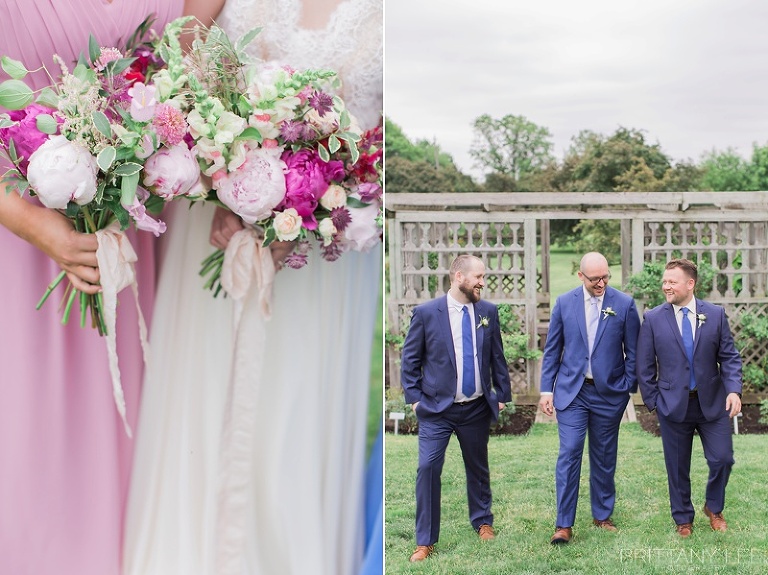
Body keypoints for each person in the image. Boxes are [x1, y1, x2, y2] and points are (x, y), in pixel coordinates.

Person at [123, 1, 383, 574]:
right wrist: (220, 185)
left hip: (325, 253)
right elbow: (178, 65)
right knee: (206, 390)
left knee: (294, 411)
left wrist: (311, 205)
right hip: (212, 224)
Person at [0, 2, 183, 574]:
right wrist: (29, 222)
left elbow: (197, 88)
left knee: (133, 451)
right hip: (19, 240)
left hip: (132, 238)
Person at [400, 254, 512, 563]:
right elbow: (409, 361)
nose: (482, 282)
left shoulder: (487, 311)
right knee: (428, 468)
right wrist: (415, 399)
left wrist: (501, 393)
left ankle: (483, 521)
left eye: (483, 276)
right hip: (436, 409)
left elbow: (497, 356)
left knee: (477, 466)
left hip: (475, 406)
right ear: (458, 276)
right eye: (478, 276)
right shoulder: (426, 313)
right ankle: (425, 541)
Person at [538, 252, 640, 545]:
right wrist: (547, 390)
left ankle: (602, 515)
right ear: (580, 276)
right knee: (569, 453)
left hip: (610, 394)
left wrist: (626, 388)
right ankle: (563, 524)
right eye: (595, 278)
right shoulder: (564, 303)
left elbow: (634, 351)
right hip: (573, 392)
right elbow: (552, 350)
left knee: (604, 455)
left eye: (606, 276)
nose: (601, 283)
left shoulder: (623, 304)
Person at [636, 258, 742, 538]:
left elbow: (729, 357)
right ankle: (683, 518)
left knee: (723, 459)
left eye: (672, 281)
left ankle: (714, 507)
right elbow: (644, 365)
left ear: (690, 284)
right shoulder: (654, 318)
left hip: (712, 403)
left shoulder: (715, 314)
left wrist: (733, 390)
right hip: (672, 405)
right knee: (677, 466)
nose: (665, 286)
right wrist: (654, 402)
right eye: (664, 281)